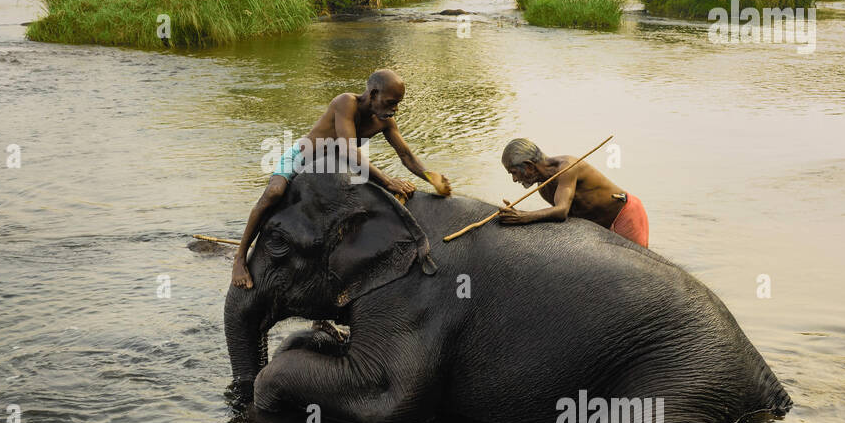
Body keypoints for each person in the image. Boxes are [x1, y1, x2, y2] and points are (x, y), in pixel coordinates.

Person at [231, 69, 452, 288]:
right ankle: (240, 257)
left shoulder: (385, 120)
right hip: (304, 158)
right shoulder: (346, 102)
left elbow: (405, 154)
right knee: (274, 193)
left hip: (333, 167)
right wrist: (387, 180)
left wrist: (429, 178)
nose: (395, 109)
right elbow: (348, 149)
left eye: (398, 103)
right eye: (391, 102)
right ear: (373, 94)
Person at [497, 138, 649, 247]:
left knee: (640, 271)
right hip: (598, 227)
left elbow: (561, 211)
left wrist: (524, 217)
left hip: (623, 214)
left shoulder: (566, 167)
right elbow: (564, 217)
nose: (515, 179)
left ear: (529, 166)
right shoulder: (544, 189)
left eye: (514, 172)